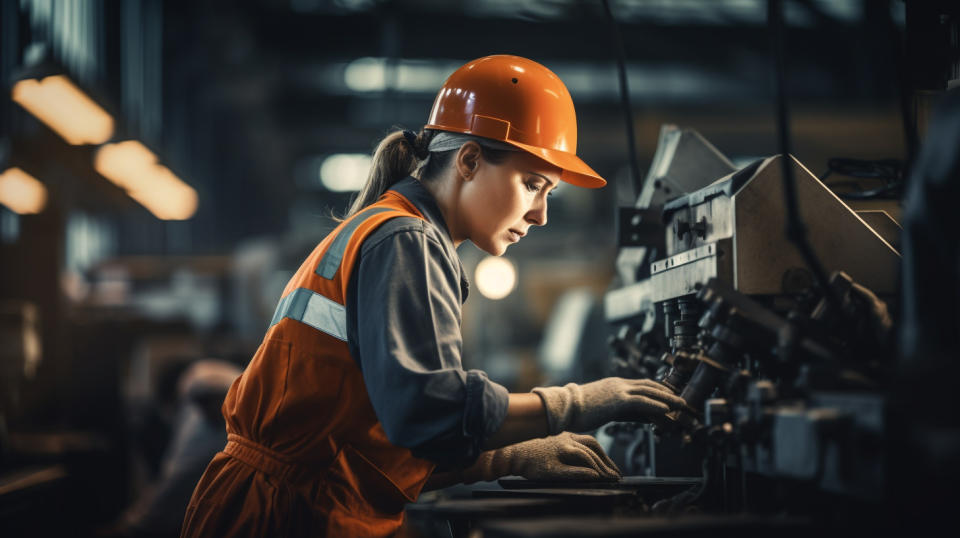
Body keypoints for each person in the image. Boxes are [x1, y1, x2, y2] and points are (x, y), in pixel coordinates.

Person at [180, 55, 685, 537]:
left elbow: (375, 436)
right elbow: (427, 412)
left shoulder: (394, 231)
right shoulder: (407, 240)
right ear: (468, 160)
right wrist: (577, 402)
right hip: (289, 517)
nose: (540, 214)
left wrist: (502, 457)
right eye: (533, 184)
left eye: (549, 193)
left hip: (291, 505)